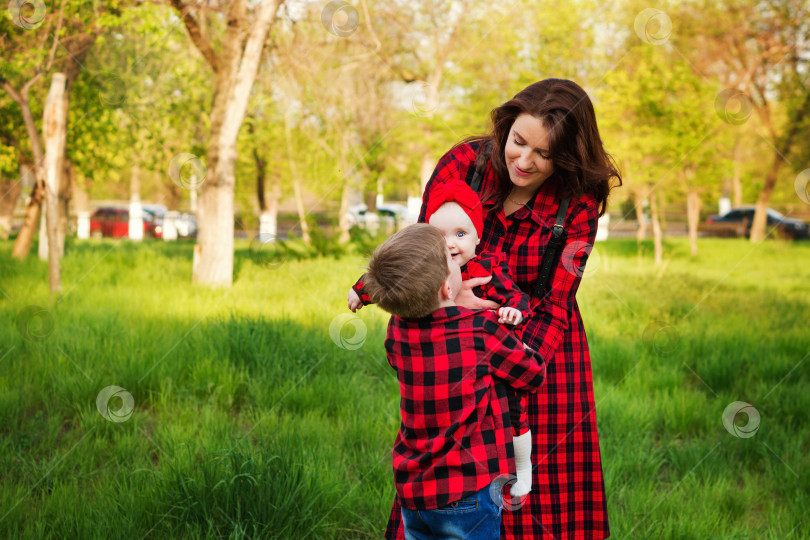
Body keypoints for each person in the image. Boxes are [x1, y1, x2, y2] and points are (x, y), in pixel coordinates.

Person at [384, 79, 621, 540]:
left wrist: (519, 368)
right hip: (452, 338)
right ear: (506, 126)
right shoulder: (462, 165)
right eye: (518, 142)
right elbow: (421, 257)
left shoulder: (580, 203)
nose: (525, 160)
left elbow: (557, 300)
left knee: (540, 490)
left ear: (568, 157)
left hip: (539, 346)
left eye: (545, 154)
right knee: (452, 481)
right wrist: (451, 319)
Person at [347, 179, 536, 497]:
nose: (450, 245)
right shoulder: (425, 269)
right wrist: (360, 290)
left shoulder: (486, 269)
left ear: (477, 236)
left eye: (460, 234)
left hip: (483, 364)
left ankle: (522, 469)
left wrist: (514, 312)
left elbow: (514, 299)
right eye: (439, 238)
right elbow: (392, 272)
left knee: (512, 415)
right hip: (463, 358)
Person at [361, 223, 547, 540]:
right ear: (448, 288)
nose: (457, 260)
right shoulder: (483, 329)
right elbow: (532, 374)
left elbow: (397, 359)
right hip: (468, 490)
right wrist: (520, 341)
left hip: (413, 490)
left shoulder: (397, 330)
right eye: (451, 261)